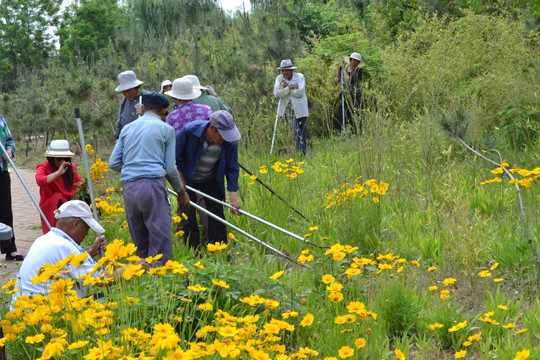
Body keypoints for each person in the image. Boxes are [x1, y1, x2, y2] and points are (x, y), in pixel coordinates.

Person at [109, 92, 190, 266]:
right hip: (152, 186)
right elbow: (169, 168)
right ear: (164, 111)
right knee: (159, 239)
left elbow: (113, 162)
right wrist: (181, 192)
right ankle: (158, 280)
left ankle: (141, 277)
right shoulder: (166, 129)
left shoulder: (127, 128)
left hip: (129, 188)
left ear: (143, 108)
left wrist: (133, 170)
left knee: (139, 240)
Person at [10, 200, 107, 306]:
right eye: (86, 228)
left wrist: (92, 252)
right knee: (105, 300)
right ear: (76, 224)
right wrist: (127, 268)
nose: (86, 234)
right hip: (47, 314)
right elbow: (101, 279)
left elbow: (70, 263)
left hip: (23, 312)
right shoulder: (64, 246)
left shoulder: (44, 240)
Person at [175, 111, 241, 249]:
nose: (226, 139)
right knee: (187, 215)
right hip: (188, 179)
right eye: (223, 135)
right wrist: (180, 182)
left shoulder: (229, 143)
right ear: (212, 129)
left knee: (217, 216)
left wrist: (233, 199)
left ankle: (218, 250)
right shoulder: (189, 131)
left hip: (211, 179)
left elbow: (232, 168)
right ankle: (193, 251)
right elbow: (174, 157)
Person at [35, 139, 83, 234]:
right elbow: (40, 180)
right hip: (52, 204)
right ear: (52, 158)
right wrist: (58, 173)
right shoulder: (44, 167)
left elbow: (78, 182)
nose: (62, 161)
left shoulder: (71, 167)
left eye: (65, 158)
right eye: (59, 158)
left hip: (70, 201)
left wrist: (82, 186)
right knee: (58, 198)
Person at [0, 114, 23, 261]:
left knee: (5, 210)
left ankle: (10, 249)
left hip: (1, 170)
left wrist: (9, 151)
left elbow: (9, 140)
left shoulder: (0, 119)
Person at [273, 59, 309, 155]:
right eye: (283, 70)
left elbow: (300, 93)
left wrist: (286, 88)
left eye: (287, 70)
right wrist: (290, 87)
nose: (285, 73)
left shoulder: (300, 77)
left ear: (292, 70)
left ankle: (302, 153)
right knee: (295, 131)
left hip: (300, 108)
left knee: (302, 131)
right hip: (287, 109)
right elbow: (276, 93)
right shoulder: (280, 79)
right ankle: (302, 154)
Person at [337, 52, 366, 128]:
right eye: (354, 60)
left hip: (355, 96)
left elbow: (348, 80)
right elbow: (337, 81)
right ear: (350, 60)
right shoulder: (345, 69)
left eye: (357, 61)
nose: (355, 62)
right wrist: (339, 69)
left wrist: (343, 69)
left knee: (357, 114)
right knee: (345, 114)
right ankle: (346, 131)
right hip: (345, 95)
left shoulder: (358, 71)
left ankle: (358, 132)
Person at [114, 70, 144, 140]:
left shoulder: (146, 98)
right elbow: (120, 121)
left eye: (129, 91)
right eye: (123, 92)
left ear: (136, 87)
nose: (126, 94)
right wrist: (117, 137)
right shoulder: (124, 101)